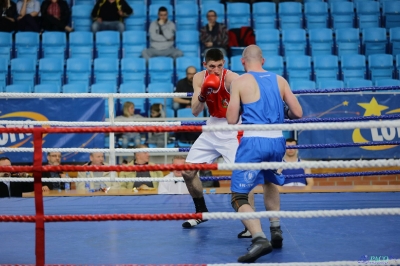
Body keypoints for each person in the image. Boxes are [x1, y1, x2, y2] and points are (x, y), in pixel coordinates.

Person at [226, 44, 303, 263]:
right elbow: (297, 113)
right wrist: (282, 112)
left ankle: (259, 238)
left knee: (238, 196)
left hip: (253, 141)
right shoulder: (280, 80)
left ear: (243, 62)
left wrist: (239, 103)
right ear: (263, 60)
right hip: (277, 140)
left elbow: (231, 120)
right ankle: (275, 229)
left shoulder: (239, 81)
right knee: (270, 181)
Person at [180, 48, 244, 229]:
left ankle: (250, 224)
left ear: (224, 63)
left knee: (242, 175)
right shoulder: (200, 78)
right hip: (212, 126)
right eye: (212, 66)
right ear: (204, 65)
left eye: (219, 66)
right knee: (187, 172)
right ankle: (201, 212)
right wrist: (202, 93)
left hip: (232, 128)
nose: (216, 70)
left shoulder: (232, 79)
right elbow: (194, 111)